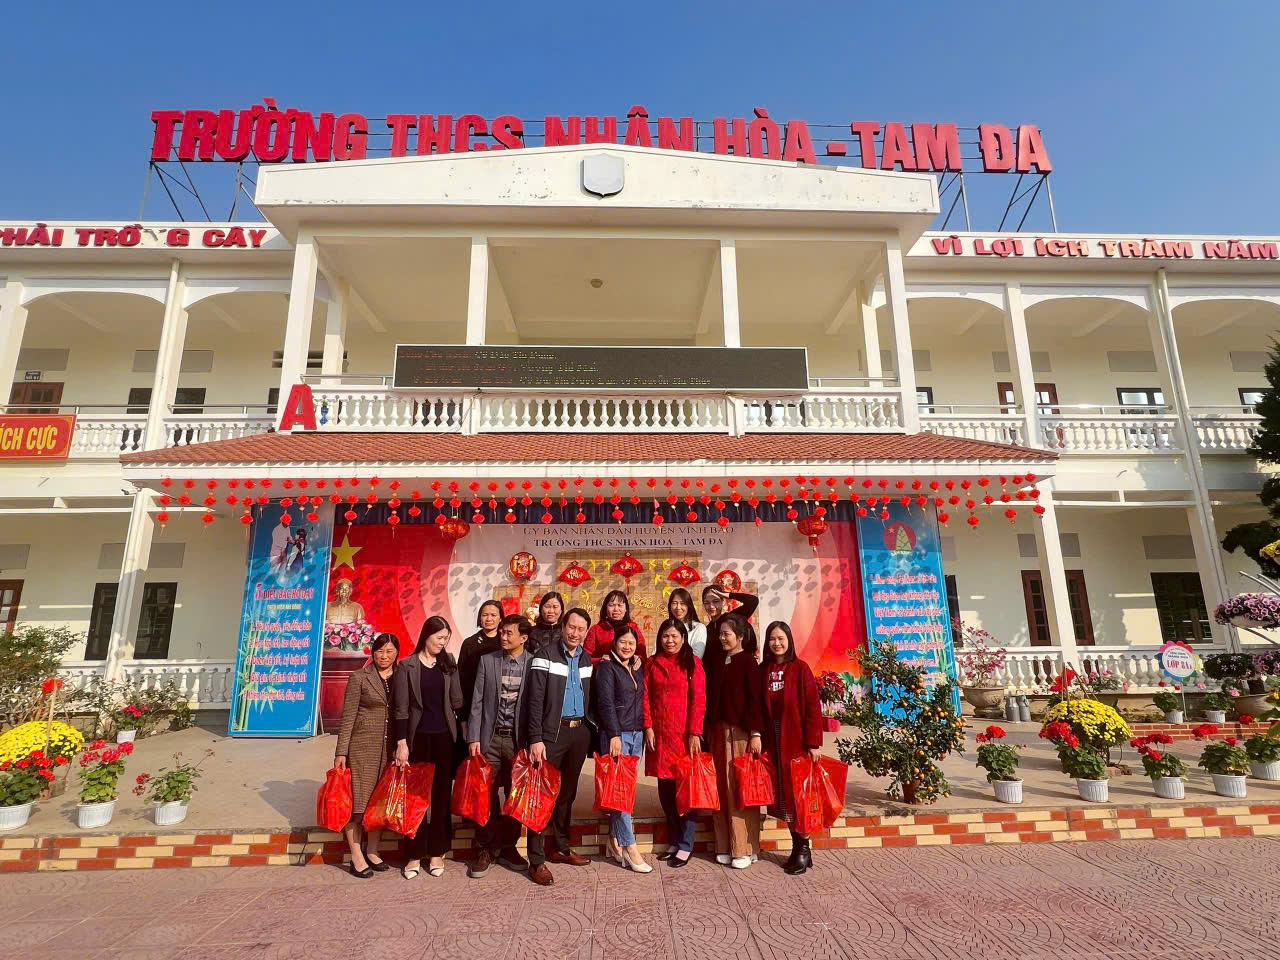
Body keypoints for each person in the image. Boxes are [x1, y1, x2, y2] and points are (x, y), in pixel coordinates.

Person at [524, 606, 594, 886]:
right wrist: (535, 738)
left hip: (579, 733)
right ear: (563, 627)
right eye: (571, 627)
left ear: (586, 632)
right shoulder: (545, 656)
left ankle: (561, 848)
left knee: (567, 794)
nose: (575, 633)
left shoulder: (586, 659)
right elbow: (534, 700)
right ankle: (536, 860)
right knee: (541, 796)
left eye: (581, 629)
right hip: (552, 735)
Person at [393, 616, 463, 880]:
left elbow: (457, 701)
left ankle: (437, 851)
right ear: (426, 636)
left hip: (444, 738)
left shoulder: (448, 663)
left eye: (446, 638)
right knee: (415, 798)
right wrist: (402, 743)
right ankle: (414, 853)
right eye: (439, 637)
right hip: (418, 739)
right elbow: (401, 709)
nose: (442, 642)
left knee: (441, 796)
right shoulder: (407, 666)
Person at [465, 614, 533, 879]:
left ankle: (508, 847)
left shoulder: (533, 664)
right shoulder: (488, 661)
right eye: (502, 632)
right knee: (486, 795)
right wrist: (474, 738)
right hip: (490, 739)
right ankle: (484, 847)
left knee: (515, 797)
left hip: (518, 742)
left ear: (523, 638)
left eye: (508, 633)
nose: (503, 637)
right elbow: (477, 702)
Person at [760, 621, 825, 876]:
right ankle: (798, 848)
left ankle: (803, 850)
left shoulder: (800, 668)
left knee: (800, 798)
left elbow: (812, 707)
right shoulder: (764, 670)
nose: (776, 643)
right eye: (772, 639)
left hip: (796, 741)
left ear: (789, 640)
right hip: (773, 741)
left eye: (781, 638)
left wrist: (813, 743)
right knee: (784, 800)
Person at [334, 632, 399, 877]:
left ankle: (372, 851)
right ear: (373, 652)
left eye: (389, 651)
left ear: (397, 653)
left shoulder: (402, 677)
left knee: (379, 803)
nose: (384, 656)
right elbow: (348, 715)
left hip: (390, 749)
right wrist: (341, 751)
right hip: (362, 747)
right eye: (380, 651)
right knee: (359, 803)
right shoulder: (359, 677)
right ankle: (356, 855)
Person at [643, 618, 706, 867]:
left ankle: (686, 844)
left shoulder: (692, 663)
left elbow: (699, 700)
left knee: (684, 793)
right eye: (665, 636)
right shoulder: (652, 663)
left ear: (683, 638)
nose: (670, 641)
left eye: (674, 636)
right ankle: (674, 840)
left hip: (683, 737)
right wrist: (648, 726)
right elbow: (645, 696)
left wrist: (694, 732)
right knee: (666, 792)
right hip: (660, 736)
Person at [707, 613, 765, 869]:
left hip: (740, 734)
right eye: (720, 634)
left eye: (727, 634)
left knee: (740, 790)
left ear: (740, 636)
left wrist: (755, 733)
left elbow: (756, 701)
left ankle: (744, 848)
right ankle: (724, 845)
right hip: (718, 733)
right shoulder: (718, 661)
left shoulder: (749, 663)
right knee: (721, 788)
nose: (722, 638)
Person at [593, 624, 651, 873]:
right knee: (621, 792)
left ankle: (613, 839)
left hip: (636, 734)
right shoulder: (607, 667)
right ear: (614, 643)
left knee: (624, 791)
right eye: (622, 642)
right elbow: (605, 703)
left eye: (631, 643)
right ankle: (629, 845)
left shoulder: (637, 667)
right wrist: (614, 734)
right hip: (618, 736)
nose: (627, 647)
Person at [699, 586, 758, 691]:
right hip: (715, 680)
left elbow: (752, 601)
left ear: (723, 601)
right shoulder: (705, 630)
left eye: (716, 601)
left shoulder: (732, 619)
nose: (711, 606)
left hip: (736, 675)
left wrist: (727, 595)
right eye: (707, 603)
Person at [458, 600, 504, 726]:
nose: (489, 619)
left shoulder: (506, 642)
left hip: (501, 706)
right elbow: (461, 678)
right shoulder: (469, 643)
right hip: (473, 703)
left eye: (493, 615)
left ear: (500, 618)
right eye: (484, 615)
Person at [586, 590, 648, 661]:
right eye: (611, 605)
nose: (616, 609)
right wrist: (600, 660)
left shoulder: (633, 628)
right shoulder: (595, 630)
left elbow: (642, 656)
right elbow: (585, 658)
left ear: (626, 609)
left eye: (620, 605)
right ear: (605, 608)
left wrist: (638, 660)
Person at [666, 588, 706, 658]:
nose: (678, 607)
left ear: (688, 606)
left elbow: (697, 656)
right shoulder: (666, 627)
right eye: (674, 603)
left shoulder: (698, 628)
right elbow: (656, 652)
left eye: (682, 603)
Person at [528, 591, 565, 655]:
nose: (551, 611)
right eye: (547, 606)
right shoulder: (531, 632)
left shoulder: (566, 632)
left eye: (555, 607)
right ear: (541, 609)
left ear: (561, 610)